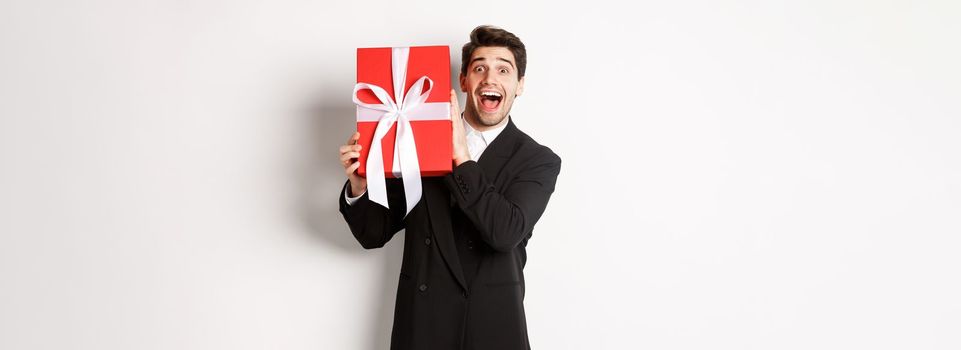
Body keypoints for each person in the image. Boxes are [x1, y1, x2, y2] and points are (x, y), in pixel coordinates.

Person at [337, 25, 561, 350]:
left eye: (503, 69)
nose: (490, 78)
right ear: (463, 81)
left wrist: (460, 156)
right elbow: (374, 234)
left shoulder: (537, 160)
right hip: (423, 326)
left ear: (519, 85)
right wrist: (359, 185)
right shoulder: (417, 145)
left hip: (493, 328)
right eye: (479, 68)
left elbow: (504, 232)